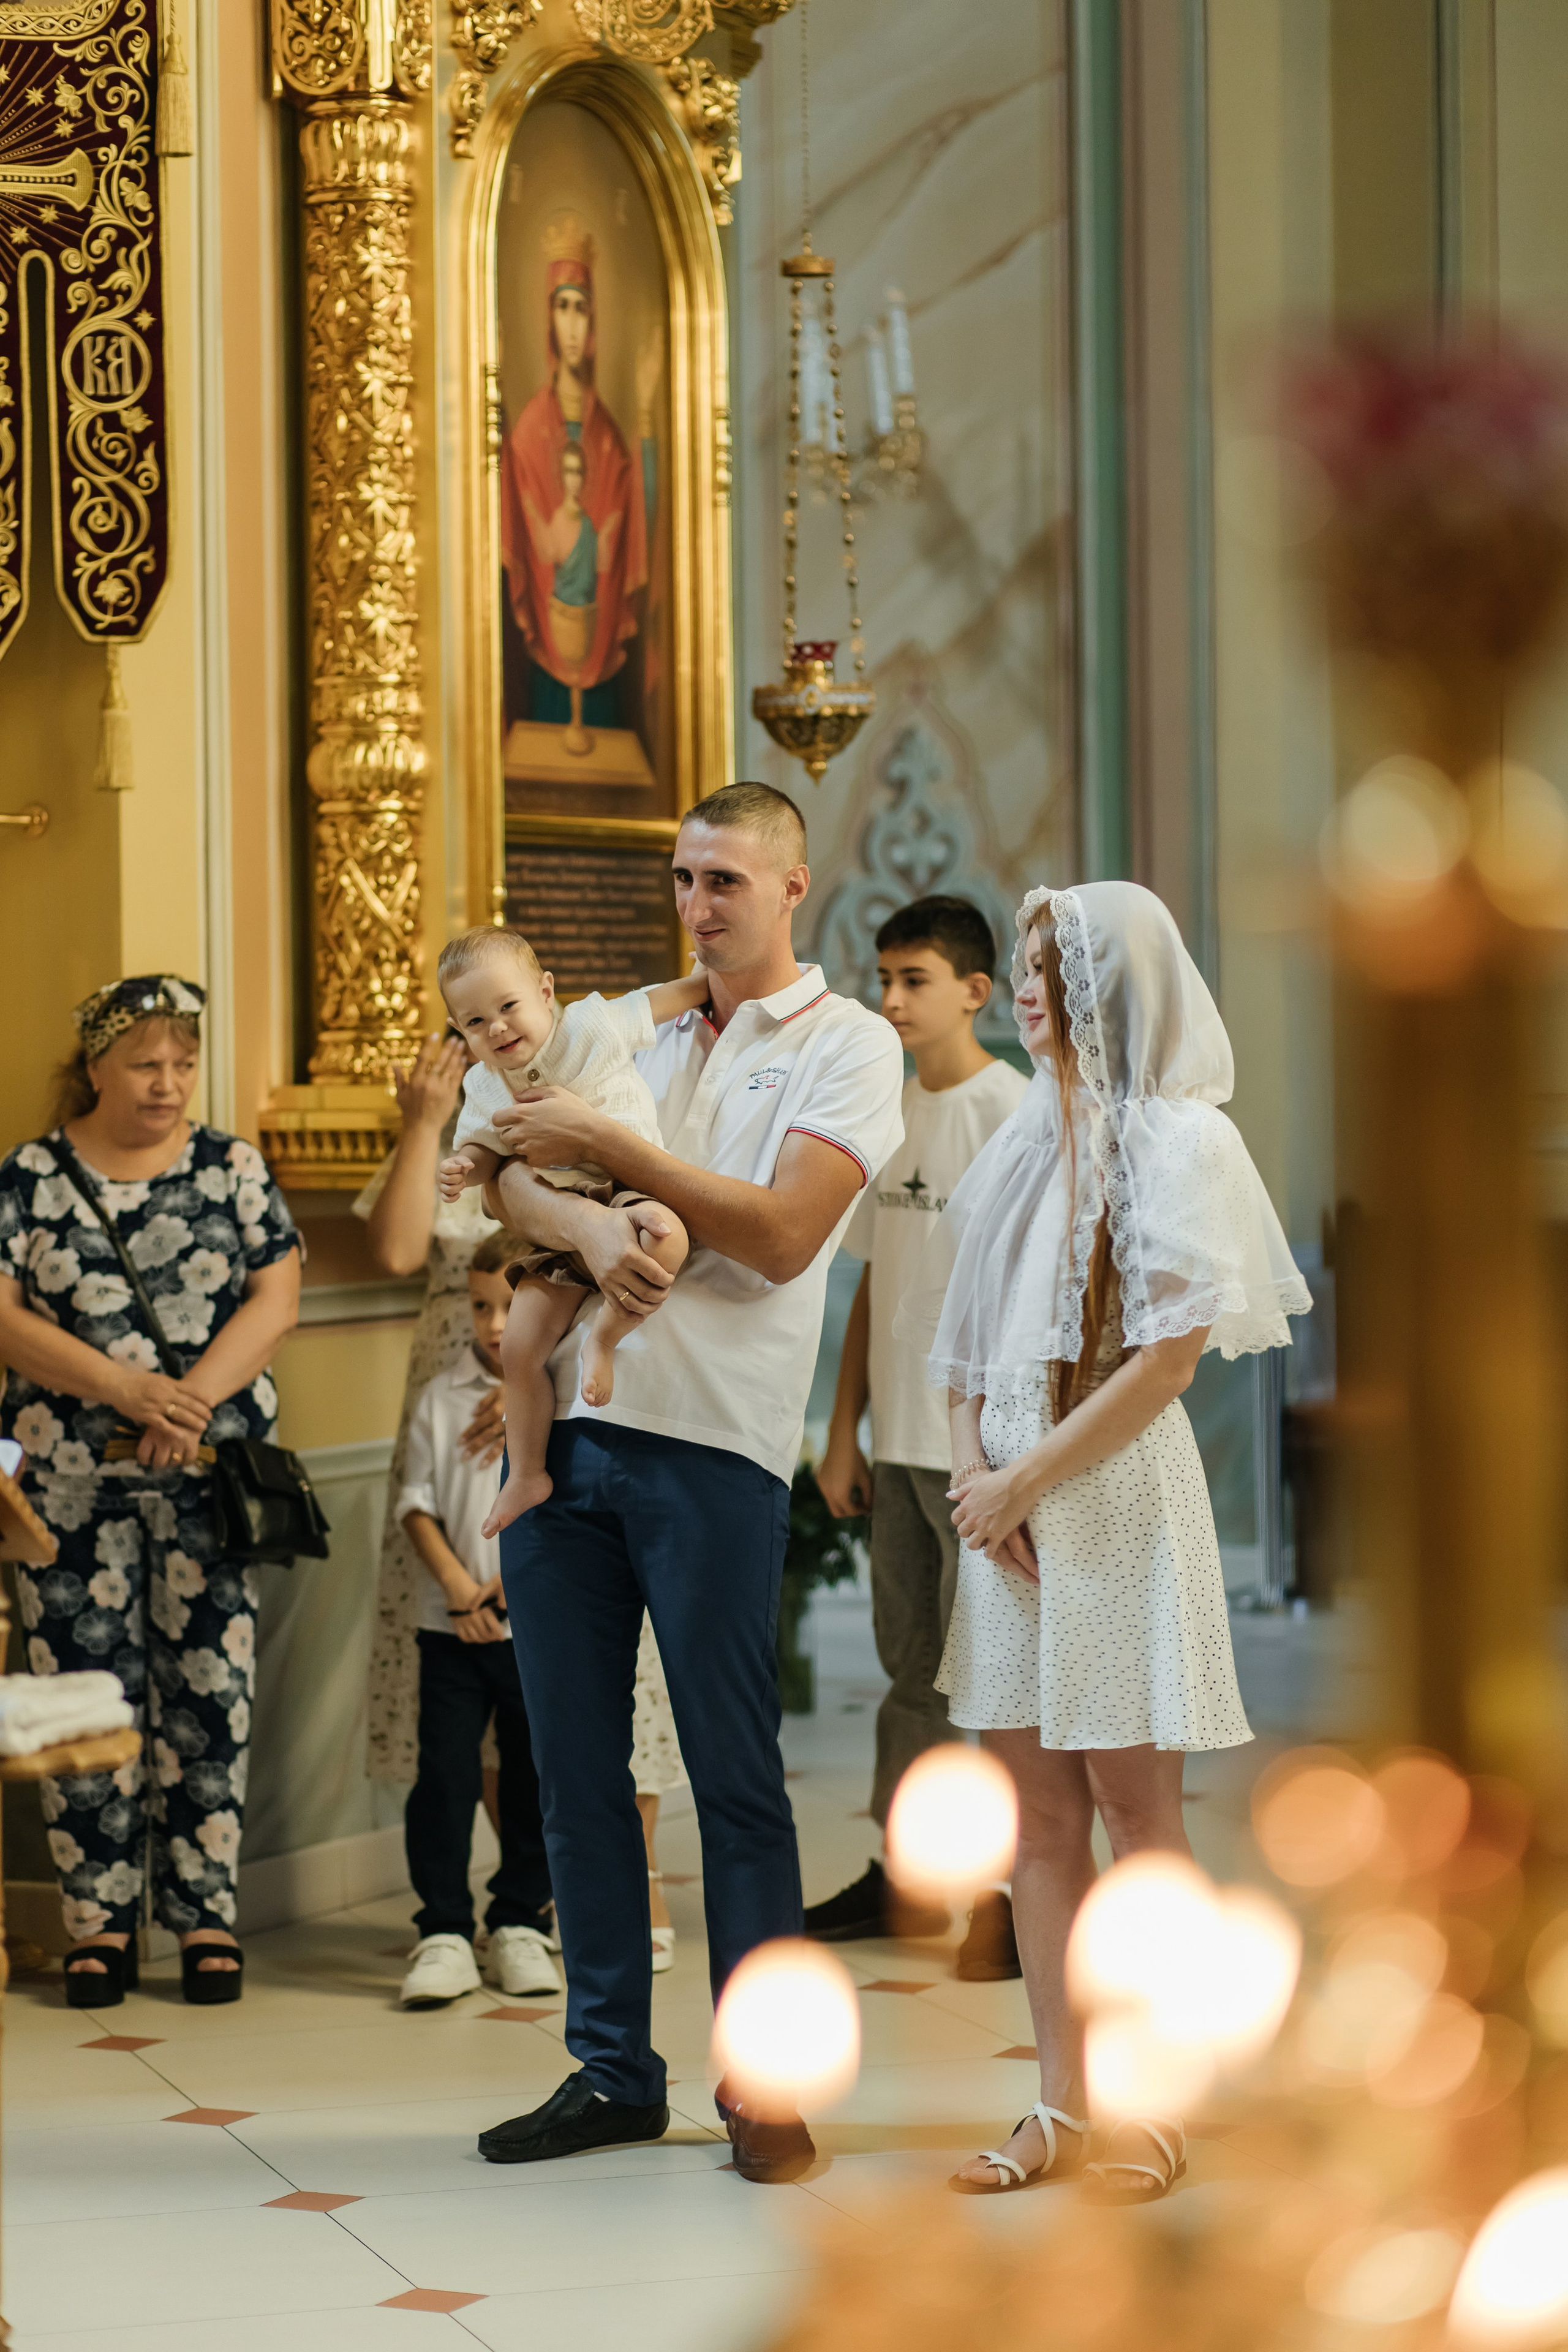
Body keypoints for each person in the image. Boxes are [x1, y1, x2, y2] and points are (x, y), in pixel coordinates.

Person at [475, 782, 904, 2183]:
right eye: (680, 878)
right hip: (569, 1444)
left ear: (791, 886)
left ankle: (763, 2084)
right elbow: (504, 1180)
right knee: (572, 1778)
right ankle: (609, 2069)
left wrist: (613, 1162)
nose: (697, 904)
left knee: (733, 1778)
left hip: (715, 1446)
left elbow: (780, 1236)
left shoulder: (846, 1046)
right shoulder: (614, 1025)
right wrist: (592, 1232)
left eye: (724, 878)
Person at [900, 884, 1310, 2201]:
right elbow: (959, 1347)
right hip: (1005, 1505)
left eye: (1047, 966)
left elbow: (1168, 1358)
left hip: (1112, 1491)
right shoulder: (1023, 1135)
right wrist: (974, 1480)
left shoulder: (1180, 1143)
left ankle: (1156, 2103)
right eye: (1017, 966)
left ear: (1110, 985)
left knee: (1137, 1814)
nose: (1025, 988)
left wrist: (1020, 1482)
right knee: (1035, 1820)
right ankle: (1058, 2106)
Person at [0, 977, 301, 2008]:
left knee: (210, 1696)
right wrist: (124, 1388)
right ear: (94, 1069)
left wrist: (191, 1406)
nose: (169, 1083)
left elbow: (279, 1291)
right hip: (67, 1491)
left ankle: (205, 1915)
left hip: (205, 1478)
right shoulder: (32, 1175)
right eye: (144, 1064)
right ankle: (96, 1925)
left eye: (183, 1062)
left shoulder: (232, 1167)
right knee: (87, 1698)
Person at [357, 1037, 688, 1959]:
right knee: (477, 1671)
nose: (492, 1037)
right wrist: (421, 1123)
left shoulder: (577, 1118)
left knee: (603, 1654)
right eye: (470, 1021)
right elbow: (392, 1249)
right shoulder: (455, 1132)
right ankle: (523, 1901)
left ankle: (635, 1874)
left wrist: (528, 1373)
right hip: (449, 1407)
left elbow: (606, 1257)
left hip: (545, 1385)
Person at [807, 897, 1029, 1966]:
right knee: (911, 1671)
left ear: (976, 993)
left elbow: (1037, 1306)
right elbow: (870, 1287)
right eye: (883, 979)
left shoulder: (1014, 1117)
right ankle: (908, 1875)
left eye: (914, 981)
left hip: (981, 1456)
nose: (890, 1000)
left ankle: (1005, 1889)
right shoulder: (886, 1117)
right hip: (897, 1443)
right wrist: (842, 1429)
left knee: (989, 1676)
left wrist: (1009, 1455)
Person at [435, 933, 708, 1526]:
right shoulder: (484, 1085)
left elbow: (665, 1000)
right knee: (519, 1347)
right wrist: (466, 1166)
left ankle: (602, 1340)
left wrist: (704, 980)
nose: (499, 1029)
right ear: (461, 1032)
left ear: (546, 991)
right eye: (476, 1022)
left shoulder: (591, 1025)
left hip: (630, 1189)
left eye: (509, 1007)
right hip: (559, 1219)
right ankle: (528, 1473)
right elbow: (486, 1150)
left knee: (668, 1236)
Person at [394, 1229, 560, 2007]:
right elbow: (415, 1505)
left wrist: (506, 1593)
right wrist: (463, 1590)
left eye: (511, 1306)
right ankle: (444, 1933)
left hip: (530, 1627)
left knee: (531, 1774)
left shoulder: (562, 1389)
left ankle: (521, 1920)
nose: (495, 1326)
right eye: (480, 1307)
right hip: (450, 1627)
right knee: (447, 1776)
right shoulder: (439, 1398)